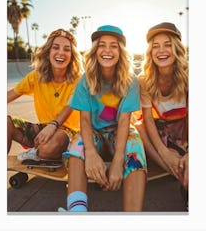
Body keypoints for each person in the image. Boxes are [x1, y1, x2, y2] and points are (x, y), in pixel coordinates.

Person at [62, 25, 147, 212]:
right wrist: (91, 153)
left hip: (119, 131)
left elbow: (125, 120)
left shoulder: (130, 81)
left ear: (121, 52)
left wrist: (118, 162)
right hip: (94, 131)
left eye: (114, 46)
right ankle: (76, 211)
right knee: (77, 143)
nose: (107, 50)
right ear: (95, 50)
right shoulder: (85, 80)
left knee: (135, 144)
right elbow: (84, 120)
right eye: (102, 45)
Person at [7, 28, 83, 161]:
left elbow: (69, 107)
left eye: (67, 49)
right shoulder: (36, 77)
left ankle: (39, 152)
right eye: (56, 47)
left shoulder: (79, 80)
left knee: (51, 146)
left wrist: (53, 125)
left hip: (67, 133)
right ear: (48, 52)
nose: (61, 53)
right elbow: (10, 94)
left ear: (72, 56)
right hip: (42, 130)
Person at [138, 22, 188, 192]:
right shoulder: (144, 80)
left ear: (176, 49)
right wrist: (163, 152)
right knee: (138, 126)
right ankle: (171, 168)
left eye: (167, 45)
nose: (161, 51)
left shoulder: (189, 76)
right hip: (155, 138)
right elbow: (148, 121)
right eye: (156, 46)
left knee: (183, 159)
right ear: (150, 52)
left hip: (181, 134)